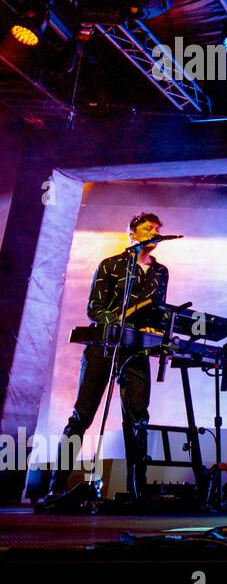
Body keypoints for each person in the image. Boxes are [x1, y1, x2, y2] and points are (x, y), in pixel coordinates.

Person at [40, 213, 169, 505]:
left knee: (138, 417)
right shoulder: (111, 265)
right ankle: (56, 487)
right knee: (82, 415)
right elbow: (95, 309)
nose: (155, 232)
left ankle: (138, 490)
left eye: (158, 229)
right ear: (133, 234)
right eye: (148, 228)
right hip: (103, 345)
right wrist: (121, 321)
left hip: (137, 349)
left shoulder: (161, 272)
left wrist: (153, 328)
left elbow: (159, 311)